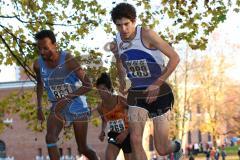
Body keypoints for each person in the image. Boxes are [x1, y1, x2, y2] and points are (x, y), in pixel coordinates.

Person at [109, 3, 181, 160]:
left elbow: (175, 58)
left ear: (134, 21)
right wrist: (122, 83)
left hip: (160, 91)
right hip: (136, 93)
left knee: (161, 149)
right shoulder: (117, 40)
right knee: (135, 140)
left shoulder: (147, 34)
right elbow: (121, 61)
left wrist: (157, 83)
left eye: (127, 24)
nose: (124, 29)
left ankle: (176, 146)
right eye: (119, 25)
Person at [33, 30, 98, 160]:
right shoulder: (37, 64)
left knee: (82, 148)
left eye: (45, 48)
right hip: (58, 106)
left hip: (77, 105)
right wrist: (39, 107)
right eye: (39, 48)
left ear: (54, 45)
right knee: (50, 138)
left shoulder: (68, 59)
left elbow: (88, 84)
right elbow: (40, 84)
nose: (42, 52)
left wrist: (67, 97)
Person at [93, 73, 132, 160]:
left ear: (109, 89)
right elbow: (104, 120)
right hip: (114, 135)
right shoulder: (100, 107)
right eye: (99, 91)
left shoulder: (121, 100)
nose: (101, 93)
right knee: (109, 157)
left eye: (103, 89)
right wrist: (102, 131)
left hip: (128, 133)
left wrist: (125, 133)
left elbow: (135, 115)